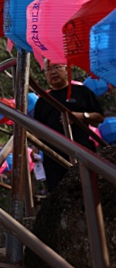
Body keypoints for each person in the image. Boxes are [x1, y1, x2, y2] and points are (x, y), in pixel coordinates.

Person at [33, 60, 104, 192]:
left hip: (82, 150)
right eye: (48, 69)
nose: (53, 72)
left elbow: (99, 116)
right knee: (60, 196)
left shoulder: (81, 92)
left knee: (89, 191)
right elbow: (37, 130)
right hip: (54, 157)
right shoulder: (42, 101)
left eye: (57, 67)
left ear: (67, 70)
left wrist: (82, 116)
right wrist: (35, 148)